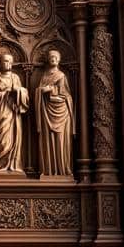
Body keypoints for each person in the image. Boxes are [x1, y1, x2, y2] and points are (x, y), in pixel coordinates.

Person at [0, 53, 29, 175]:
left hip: (14, 112)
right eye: (5, 61)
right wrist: (4, 94)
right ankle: (0, 166)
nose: (7, 64)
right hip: (2, 112)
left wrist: (19, 91)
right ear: (0, 63)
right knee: (3, 140)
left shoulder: (15, 78)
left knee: (14, 139)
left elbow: (24, 94)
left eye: (10, 61)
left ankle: (14, 165)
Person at [35, 49, 74, 177]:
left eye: (55, 57)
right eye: (51, 57)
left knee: (61, 141)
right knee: (47, 140)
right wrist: (41, 91)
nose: (53, 59)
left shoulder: (62, 75)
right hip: (46, 111)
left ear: (59, 60)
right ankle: (48, 170)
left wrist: (51, 91)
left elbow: (66, 95)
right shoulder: (44, 76)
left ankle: (62, 169)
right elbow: (39, 91)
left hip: (61, 112)